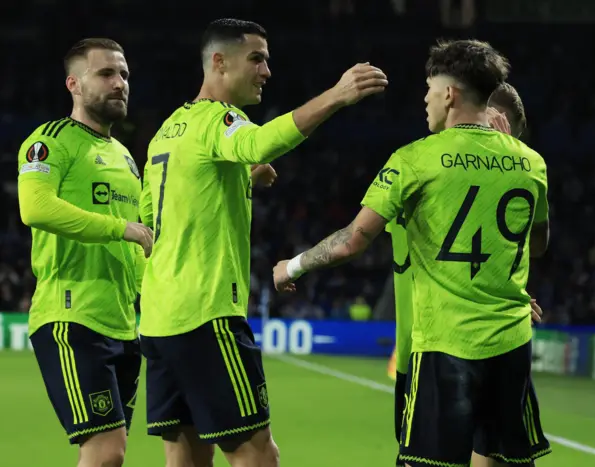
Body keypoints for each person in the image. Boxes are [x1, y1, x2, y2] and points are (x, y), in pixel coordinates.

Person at [273, 39, 551, 467]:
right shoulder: (531, 163)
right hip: (510, 348)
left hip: (444, 346)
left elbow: (351, 240)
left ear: (448, 94)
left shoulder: (414, 160)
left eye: (428, 88)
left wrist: (291, 265)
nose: (424, 99)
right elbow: (536, 242)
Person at [137, 18, 387, 467]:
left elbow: (162, 215)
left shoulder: (169, 130)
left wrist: (242, 182)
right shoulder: (219, 119)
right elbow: (261, 141)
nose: (266, 71)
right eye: (256, 59)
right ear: (219, 62)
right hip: (207, 316)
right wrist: (337, 95)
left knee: (186, 457)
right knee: (256, 453)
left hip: (158, 321)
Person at [17, 38, 153, 467]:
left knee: (112, 454)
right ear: (74, 83)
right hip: (71, 316)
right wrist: (120, 228)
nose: (120, 84)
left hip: (122, 325)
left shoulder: (126, 158)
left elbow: (142, 244)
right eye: (106, 74)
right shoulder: (50, 141)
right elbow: (34, 207)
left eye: (125, 75)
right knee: (105, 451)